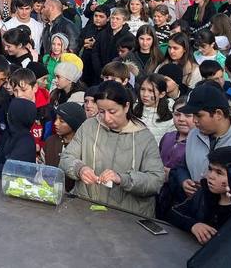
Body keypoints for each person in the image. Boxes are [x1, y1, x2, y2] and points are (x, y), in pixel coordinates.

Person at [59, 81, 165, 218]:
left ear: (126, 107)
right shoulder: (89, 126)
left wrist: (122, 179)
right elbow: (66, 158)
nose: (107, 118)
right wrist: (79, 169)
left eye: (112, 112)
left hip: (127, 216)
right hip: (86, 207)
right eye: (101, 111)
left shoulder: (143, 137)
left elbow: (155, 180)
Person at [168, 146, 231, 245]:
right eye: (210, 169)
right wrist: (193, 225)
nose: (211, 176)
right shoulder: (204, 193)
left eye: (219, 173)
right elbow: (174, 213)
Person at [134, 74, 176, 143]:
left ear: (162, 94)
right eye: (142, 89)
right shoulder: (132, 112)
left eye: (151, 91)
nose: (145, 94)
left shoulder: (170, 120)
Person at [159, 97, 195, 179]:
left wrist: (172, 175)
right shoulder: (167, 137)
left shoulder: (199, 144)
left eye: (188, 115)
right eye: (177, 114)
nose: (181, 119)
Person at [44, 102, 87, 169]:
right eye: (56, 119)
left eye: (61, 121)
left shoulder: (84, 146)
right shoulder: (50, 142)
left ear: (74, 124)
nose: (55, 123)